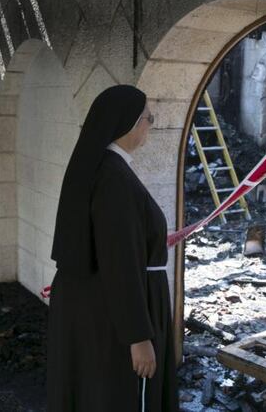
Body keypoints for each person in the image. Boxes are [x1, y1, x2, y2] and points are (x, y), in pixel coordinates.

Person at [47, 84, 179, 412]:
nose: (150, 123)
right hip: (118, 315)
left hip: (95, 306)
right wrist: (138, 337)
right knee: (120, 396)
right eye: (148, 117)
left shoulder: (100, 167)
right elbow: (120, 264)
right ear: (129, 123)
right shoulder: (114, 179)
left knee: (94, 389)